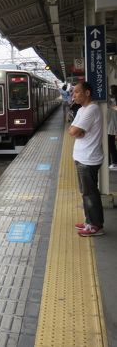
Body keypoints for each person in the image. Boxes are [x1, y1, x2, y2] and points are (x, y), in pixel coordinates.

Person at [68, 81, 104, 236]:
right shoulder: (82, 110)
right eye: (73, 92)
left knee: (90, 194)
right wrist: (76, 131)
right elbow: (71, 129)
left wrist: (77, 131)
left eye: (76, 92)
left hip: (88, 159)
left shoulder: (92, 109)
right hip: (82, 158)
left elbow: (74, 131)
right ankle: (89, 221)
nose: (73, 95)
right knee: (86, 192)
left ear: (87, 93)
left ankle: (96, 226)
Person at [108, 85, 117, 171]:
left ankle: (114, 162)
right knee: (111, 145)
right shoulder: (113, 100)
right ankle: (113, 162)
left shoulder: (111, 101)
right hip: (112, 125)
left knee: (110, 145)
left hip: (110, 126)